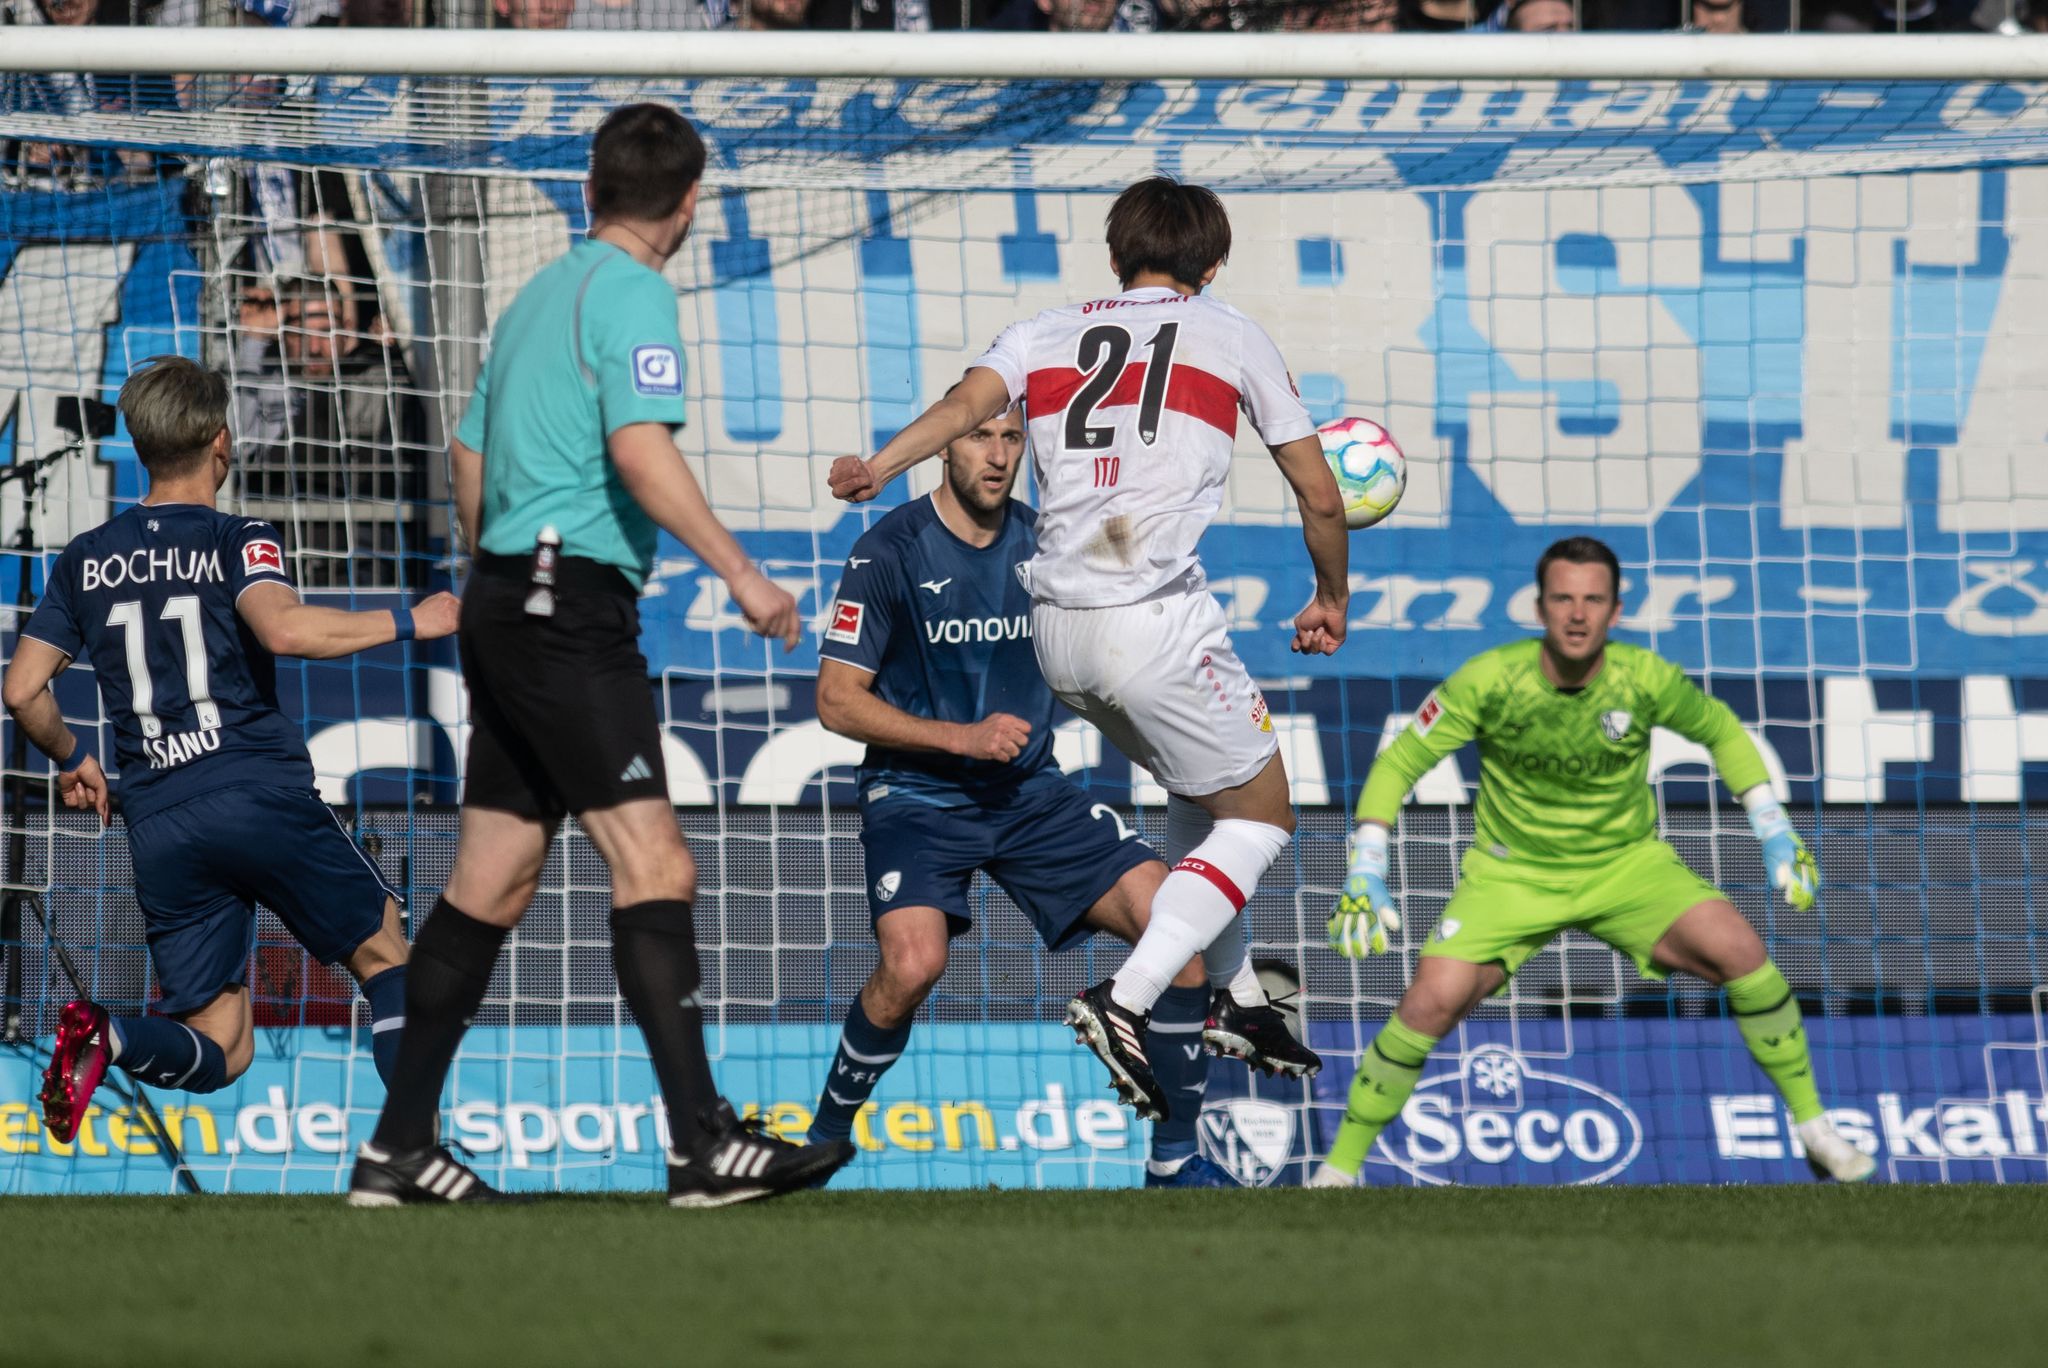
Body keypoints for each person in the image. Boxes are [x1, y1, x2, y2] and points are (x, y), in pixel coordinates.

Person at [349, 102, 853, 1208]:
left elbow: (469, 447)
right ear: (685, 205)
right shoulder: (635, 293)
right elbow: (636, 448)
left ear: (588, 190)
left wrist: (497, 570)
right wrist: (742, 574)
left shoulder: (536, 296)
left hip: (502, 593)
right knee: (656, 865)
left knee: (493, 877)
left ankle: (395, 1149)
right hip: (562, 603)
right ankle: (702, 1147)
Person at [830, 176, 1350, 1121]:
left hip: (1058, 630)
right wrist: (1330, 594)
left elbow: (960, 406)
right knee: (1265, 814)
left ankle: (1233, 991)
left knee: (1205, 794)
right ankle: (1127, 998)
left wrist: (880, 466)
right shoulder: (1230, 332)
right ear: (1214, 264)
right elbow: (1321, 495)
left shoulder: (1042, 332)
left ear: (1115, 259)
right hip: (1151, 614)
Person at [1310, 536, 1876, 1186]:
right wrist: (1366, 865)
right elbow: (1401, 761)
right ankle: (1340, 1170)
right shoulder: (1490, 679)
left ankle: (1814, 1128)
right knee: (1431, 1002)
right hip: (1511, 877)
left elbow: (1720, 729)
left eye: (1592, 600)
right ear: (1539, 606)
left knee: (1745, 955)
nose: (1577, 614)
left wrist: (1773, 828)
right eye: (1563, 599)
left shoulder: (1645, 678)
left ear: (1615, 610)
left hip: (1626, 869)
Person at [3, 355, 457, 1143]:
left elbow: (20, 690)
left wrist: (75, 755)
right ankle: (416, 1148)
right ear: (221, 443)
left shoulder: (85, 558)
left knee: (223, 1043)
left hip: (160, 822)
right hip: (255, 791)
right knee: (387, 953)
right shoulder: (238, 537)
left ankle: (107, 1038)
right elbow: (286, 629)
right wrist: (417, 619)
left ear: (141, 448)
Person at [809, 401, 1230, 1187]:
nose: (998, 456)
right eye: (979, 437)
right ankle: (820, 1141)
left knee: (1175, 931)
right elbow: (836, 701)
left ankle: (1175, 1165)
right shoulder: (888, 549)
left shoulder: (1051, 546)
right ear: (944, 450)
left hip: (1029, 793)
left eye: (1011, 439)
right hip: (916, 795)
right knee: (912, 964)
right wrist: (961, 739)